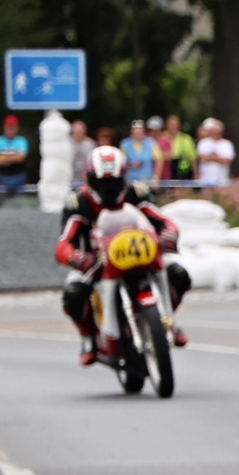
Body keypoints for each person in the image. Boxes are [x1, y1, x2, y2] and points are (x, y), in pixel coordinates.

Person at [56, 145, 192, 366]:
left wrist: (168, 235)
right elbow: (64, 242)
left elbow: (162, 220)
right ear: (89, 179)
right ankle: (88, 338)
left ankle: (168, 320)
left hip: (140, 253)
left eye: (113, 182)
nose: (108, 189)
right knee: (73, 292)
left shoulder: (136, 192)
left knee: (179, 274)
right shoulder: (78, 201)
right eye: (101, 183)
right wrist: (77, 257)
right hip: (97, 263)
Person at [0, 114, 30, 198]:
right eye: (8, 127)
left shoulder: (21, 140)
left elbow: (20, 158)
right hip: (2, 177)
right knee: (4, 203)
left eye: (13, 127)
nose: (10, 129)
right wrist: (14, 156)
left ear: (17, 128)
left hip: (19, 176)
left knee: (20, 202)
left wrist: (3, 156)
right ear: (4, 128)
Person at [196, 118, 234, 186]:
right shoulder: (203, 143)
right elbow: (201, 157)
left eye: (217, 132)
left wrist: (210, 158)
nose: (215, 133)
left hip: (222, 180)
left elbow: (228, 161)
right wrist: (217, 158)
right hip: (205, 180)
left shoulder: (227, 144)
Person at [161, 114, 197, 181]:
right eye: (171, 124)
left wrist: (196, 173)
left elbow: (193, 158)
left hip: (183, 172)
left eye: (175, 124)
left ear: (179, 125)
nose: (173, 126)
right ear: (167, 125)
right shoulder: (162, 138)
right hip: (167, 173)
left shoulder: (186, 138)